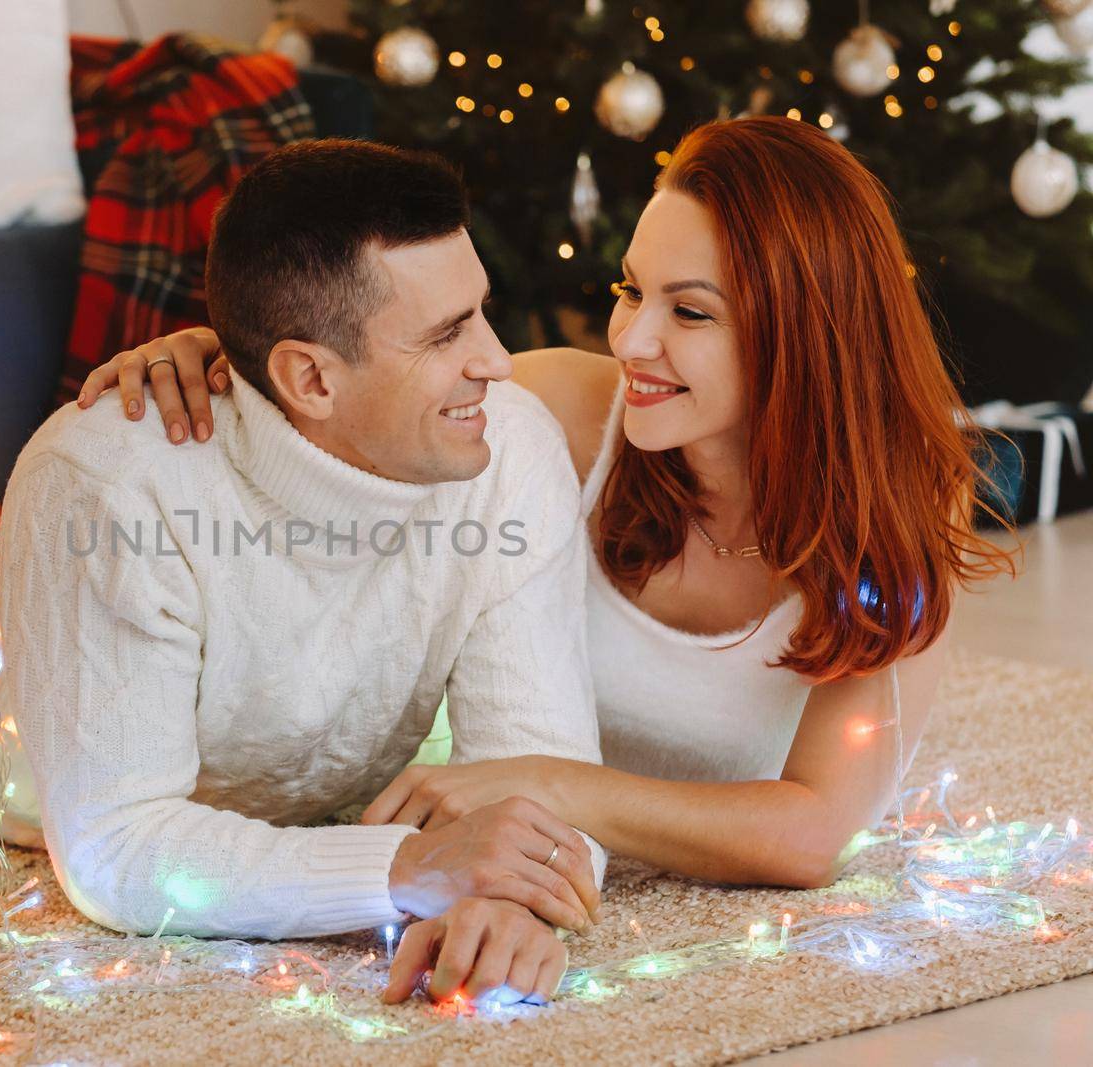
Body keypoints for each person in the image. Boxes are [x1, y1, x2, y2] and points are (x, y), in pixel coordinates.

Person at [78, 116, 1014, 930]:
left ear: (805, 334)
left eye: (689, 311)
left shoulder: (896, 521)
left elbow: (814, 831)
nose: (633, 339)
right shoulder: (565, 410)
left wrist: (552, 784)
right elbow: (366, 387)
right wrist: (222, 351)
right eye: (630, 289)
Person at [0, 139, 616, 1006]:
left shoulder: (508, 447)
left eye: (481, 313)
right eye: (447, 334)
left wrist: (514, 901)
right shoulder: (102, 484)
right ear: (308, 377)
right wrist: (407, 866)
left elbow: (547, 777)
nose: (493, 358)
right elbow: (116, 849)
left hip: (115, 579)